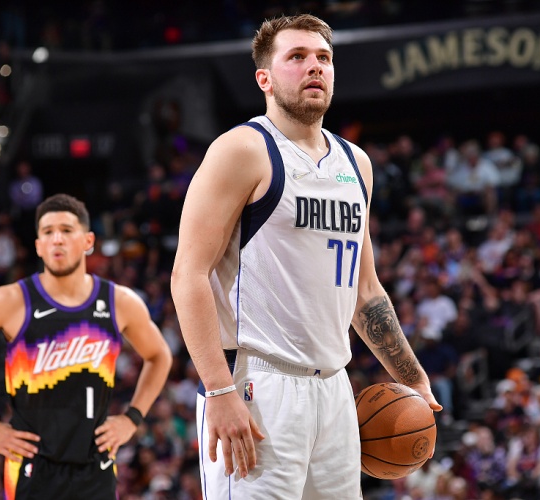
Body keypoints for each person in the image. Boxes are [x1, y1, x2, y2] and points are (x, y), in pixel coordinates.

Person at [170, 14, 440, 499]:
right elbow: (188, 274)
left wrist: (413, 377)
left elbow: (365, 291)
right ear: (265, 79)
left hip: (334, 387)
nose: (314, 66)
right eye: (296, 57)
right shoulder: (242, 149)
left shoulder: (356, 163)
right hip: (257, 385)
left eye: (323, 58)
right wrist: (219, 390)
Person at [0, 193, 173, 499]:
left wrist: (132, 418)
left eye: (66, 230)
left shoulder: (119, 302)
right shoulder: (10, 301)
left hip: (96, 466)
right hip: (31, 467)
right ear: (38, 245)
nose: (57, 239)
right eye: (48, 232)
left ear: (87, 241)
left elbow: (159, 355)